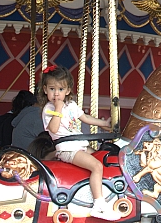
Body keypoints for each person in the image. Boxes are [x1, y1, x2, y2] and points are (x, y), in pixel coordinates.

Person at [40, 63, 120, 220]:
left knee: (103, 158)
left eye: (61, 89)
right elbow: (54, 129)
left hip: (79, 145)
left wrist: (104, 123)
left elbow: (85, 118)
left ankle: (96, 195)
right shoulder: (48, 109)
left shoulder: (71, 105)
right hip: (66, 148)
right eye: (52, 89)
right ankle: (99, 205)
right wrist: (58, 110)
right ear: (45, 90)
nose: (56, 94)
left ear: (68, 90)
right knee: (96, 166)